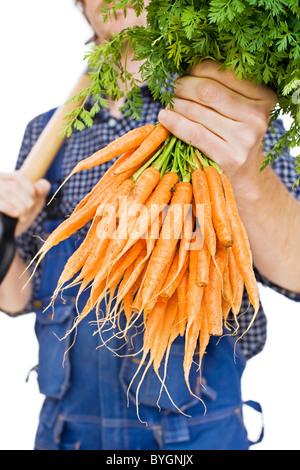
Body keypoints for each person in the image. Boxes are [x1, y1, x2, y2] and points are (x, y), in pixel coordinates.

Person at [1, 0, 300, 450]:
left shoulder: (232, 115)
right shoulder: (45, 131)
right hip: (67, 431)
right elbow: (15, 297)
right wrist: (13, 233)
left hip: (195, 430)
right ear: (81, 6)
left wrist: (247, 176)